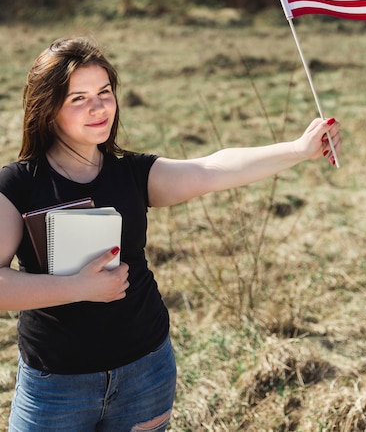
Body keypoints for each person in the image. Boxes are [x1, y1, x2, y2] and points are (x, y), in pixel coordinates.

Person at [0, 37, 341, 432]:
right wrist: (79, 287)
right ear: (48, 109)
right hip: (56, 384)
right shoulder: (17, 186)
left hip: (144, 373)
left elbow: (212, 169)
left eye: (104, 92)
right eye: (78, 98)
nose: (98, 108)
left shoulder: (132, 174)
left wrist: (299, 149)